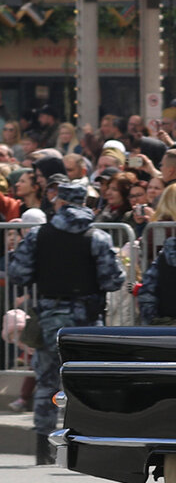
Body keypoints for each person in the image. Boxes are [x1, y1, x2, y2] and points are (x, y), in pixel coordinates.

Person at [7, 183, 125, 464]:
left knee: (47, 382)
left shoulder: (38, 236)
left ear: (59, 202)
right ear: (84, 202)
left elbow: (18, 272)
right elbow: (113, 280)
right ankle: (88, 446)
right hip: (87, 319)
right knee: (87, 382)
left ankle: (44, 450)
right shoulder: (97, 237)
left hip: (51, 317)